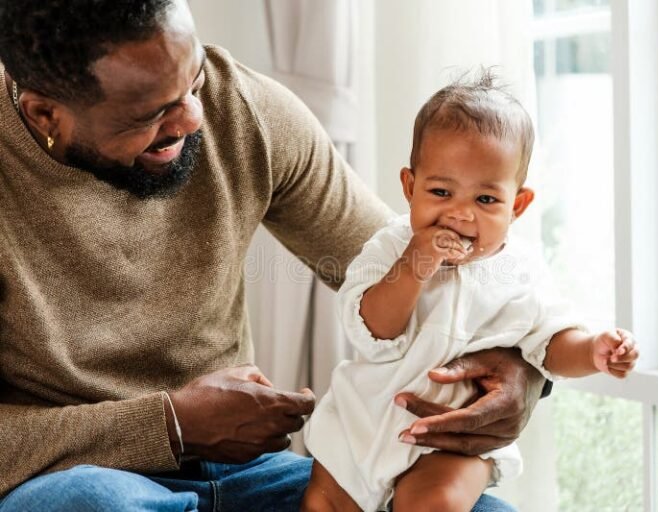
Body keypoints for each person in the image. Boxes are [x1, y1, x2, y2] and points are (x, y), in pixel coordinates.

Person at [0, 1, 548, 511]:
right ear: (45, 114)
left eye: (194, 80)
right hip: (72, 476)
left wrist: (523, 367)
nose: (193, 118)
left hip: (245, 472)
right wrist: (170, 425)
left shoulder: (242, 109)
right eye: (152, 113)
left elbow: (415, 269)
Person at [300, 72, 639, 512]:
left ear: (517, 205)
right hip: (362, 423)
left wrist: (593, 350)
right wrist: (415, 263)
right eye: (441, 192)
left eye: (485, 200)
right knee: (323, 502)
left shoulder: (522, 270)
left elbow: (551, 343)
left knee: (433, 503)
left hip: (453, 441)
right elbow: (372, 329)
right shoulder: (390, 247)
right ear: (410, 187)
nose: (460, 214)